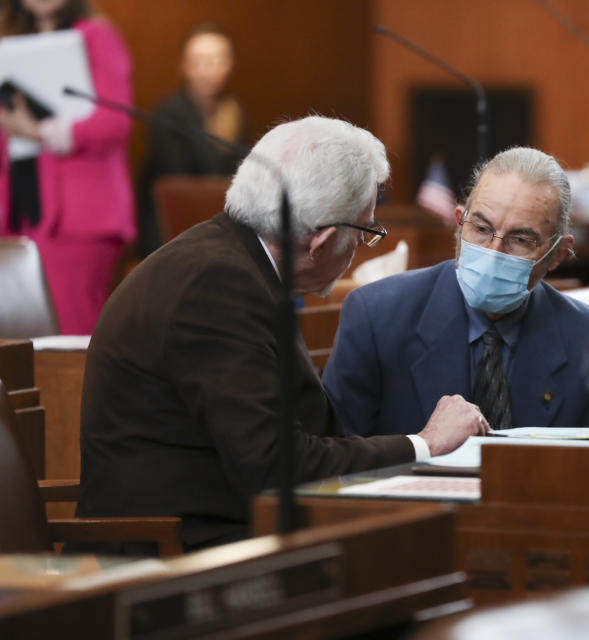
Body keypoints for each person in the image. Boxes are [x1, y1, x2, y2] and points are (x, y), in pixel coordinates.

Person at [74, 116, 489, 553]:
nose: (358, 249)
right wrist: (425, 444)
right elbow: (276, 465)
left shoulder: (230, 262)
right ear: (321, 240)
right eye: (365, 232)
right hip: (177, 557)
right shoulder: (216, 285)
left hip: (221, 531)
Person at [322, 147, 589, 437]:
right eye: (481, 230)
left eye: (520, 240)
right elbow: (338, 455)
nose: (493, 252)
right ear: (459, 222)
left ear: (558, 255)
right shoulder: (376, 316)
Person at [0, 0, 135, 334]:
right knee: (25, 339)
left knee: (70, 334)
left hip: (78, 216)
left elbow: (115, 121)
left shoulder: (96, 36)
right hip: (21, 213)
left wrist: (39, 131)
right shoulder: (9, 40)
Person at [136, 23, 247, 258]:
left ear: (231, 64)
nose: (207, 69)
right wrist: (218, 141)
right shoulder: (168, 113)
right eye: (199, 60)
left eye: (217, 60)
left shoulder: (233, 110)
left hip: (222, 231)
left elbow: (242, 178)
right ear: (183, 66)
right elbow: (181, 184)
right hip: (172, 236)